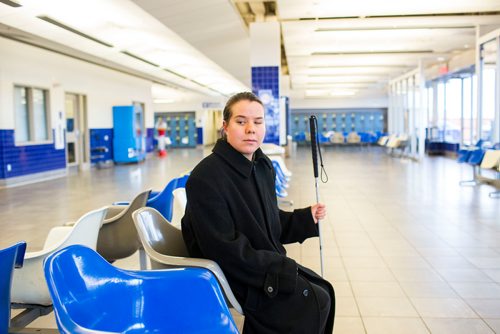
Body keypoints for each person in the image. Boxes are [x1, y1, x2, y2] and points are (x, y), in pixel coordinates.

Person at [181, 92, 335, 333]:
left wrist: (306, 218)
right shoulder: (206, 177)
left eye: (258, 122)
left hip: (261, 264)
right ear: (225, 127)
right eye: (241, 122)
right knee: (315, 300)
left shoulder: (262, 167)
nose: (251, 129)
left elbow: (269, 221)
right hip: (237, 275)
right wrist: (279, 267)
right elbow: (224, 249)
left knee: (323, 291)